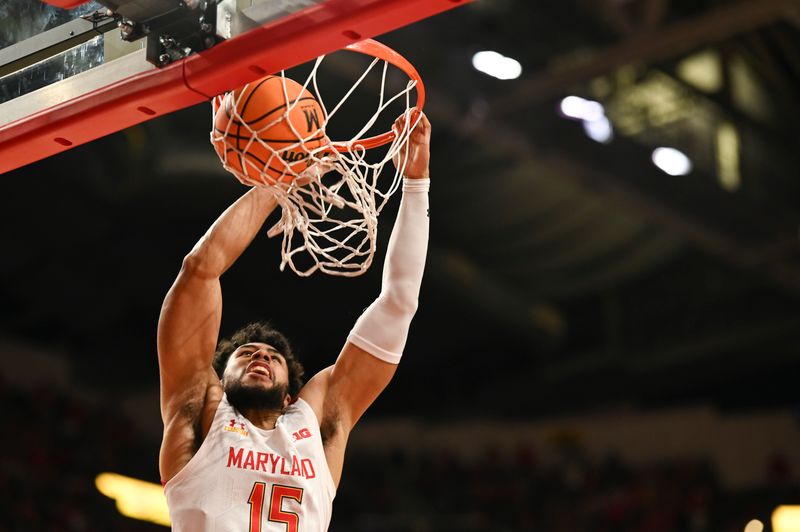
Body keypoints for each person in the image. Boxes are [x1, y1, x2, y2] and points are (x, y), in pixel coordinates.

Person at [157, 111, 431, 531]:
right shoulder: (198, 410)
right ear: (220, 377)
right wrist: (280, 182)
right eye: (245, 354)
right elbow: (200, 270)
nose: (259, 357)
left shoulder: (315, 422)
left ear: (290, 397)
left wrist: (416, 184)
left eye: (272, 356)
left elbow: (398, 302)